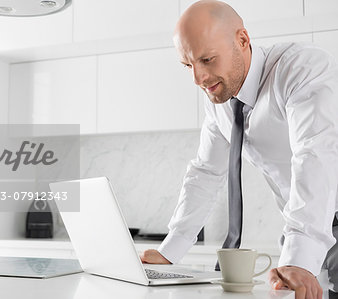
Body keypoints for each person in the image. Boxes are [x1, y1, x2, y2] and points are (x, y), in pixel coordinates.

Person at [140, 1, 338, 299]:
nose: (198, 79)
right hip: (301, 227)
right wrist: (170, 251)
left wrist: (300, 256)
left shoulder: (300, 68)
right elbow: (205, 172)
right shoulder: (221, 100)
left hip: (316, 223)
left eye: (207, 59)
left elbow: (315, 153)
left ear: (242, 40)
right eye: (188, 65)